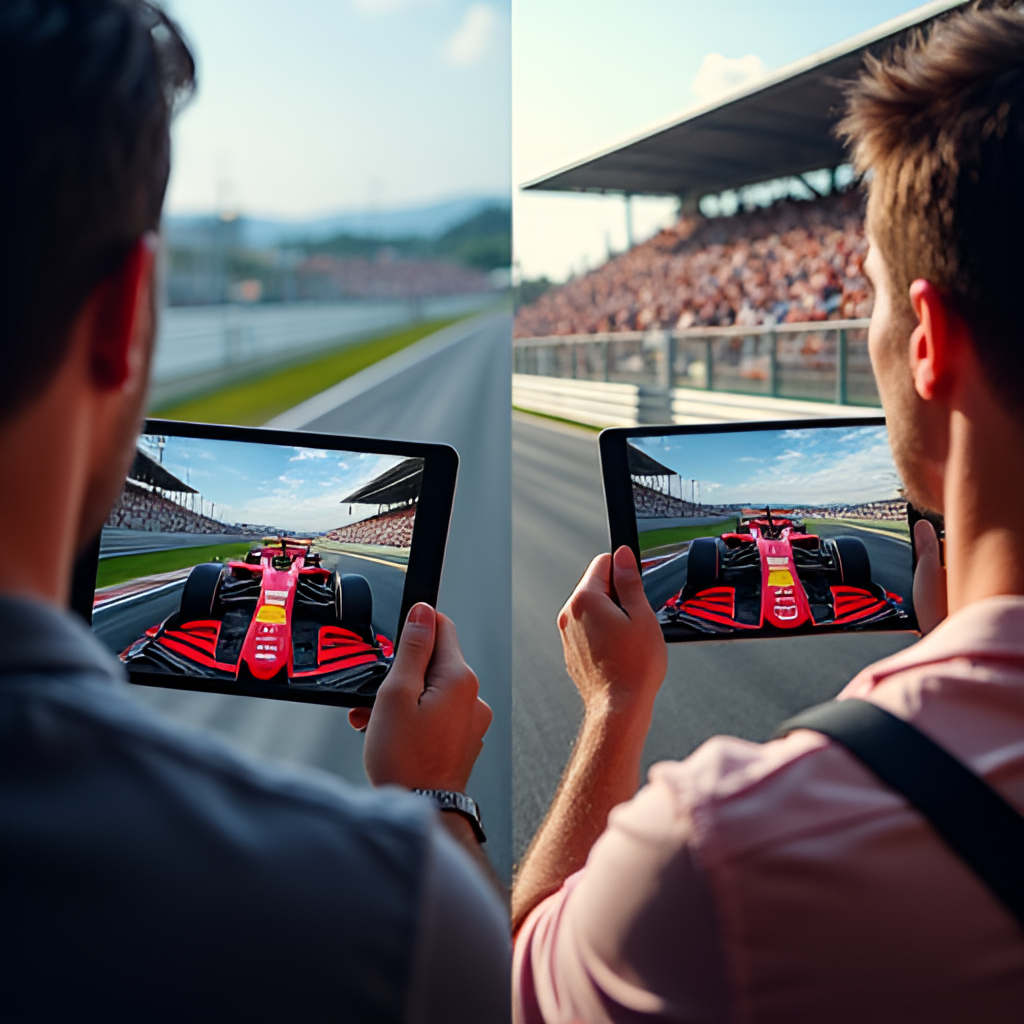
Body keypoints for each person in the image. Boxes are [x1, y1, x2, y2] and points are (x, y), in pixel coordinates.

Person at [512, 6, 1024, 1022]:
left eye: (871, 293)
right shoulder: (755, 538)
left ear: (925, 336)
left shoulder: (718, 847)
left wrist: (614, 712)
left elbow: (521, 970)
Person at [0, 3, 508, 1020]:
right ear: (131, 312)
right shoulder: (382, 911)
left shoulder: (306, 571)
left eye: (281, 564)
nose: (274, 571)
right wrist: (433, 802)